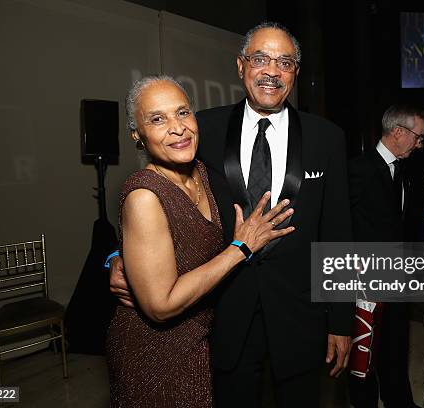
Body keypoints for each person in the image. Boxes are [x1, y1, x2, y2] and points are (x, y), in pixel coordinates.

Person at [109, 23, 354, 407]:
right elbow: (160, 198)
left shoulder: (327, 137)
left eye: (284, 62)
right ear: (241, 66)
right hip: (224, 316)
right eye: (260, 59)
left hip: (301, 315)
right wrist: (118, 256)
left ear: (296, 73)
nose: (271, 71)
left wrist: (341, 322)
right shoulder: (199, 128)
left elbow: (339, 232)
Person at [105, 76, 295, 407]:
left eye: (183, 112)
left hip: (202, 341)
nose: (177, 128)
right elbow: (161, 306)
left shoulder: (203, 171)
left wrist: (118, 258)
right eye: (157, 118)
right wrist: (241, 248)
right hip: (155, 352)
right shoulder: (144, 195)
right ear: (137, 134)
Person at [347, 104, 424, 408]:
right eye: (417, 138)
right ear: (398, 132)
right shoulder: (359, 169)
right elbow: (341, 225)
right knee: (364, 354)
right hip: (365, 280)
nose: (419, 145)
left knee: (395, 347)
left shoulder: (404, 171)